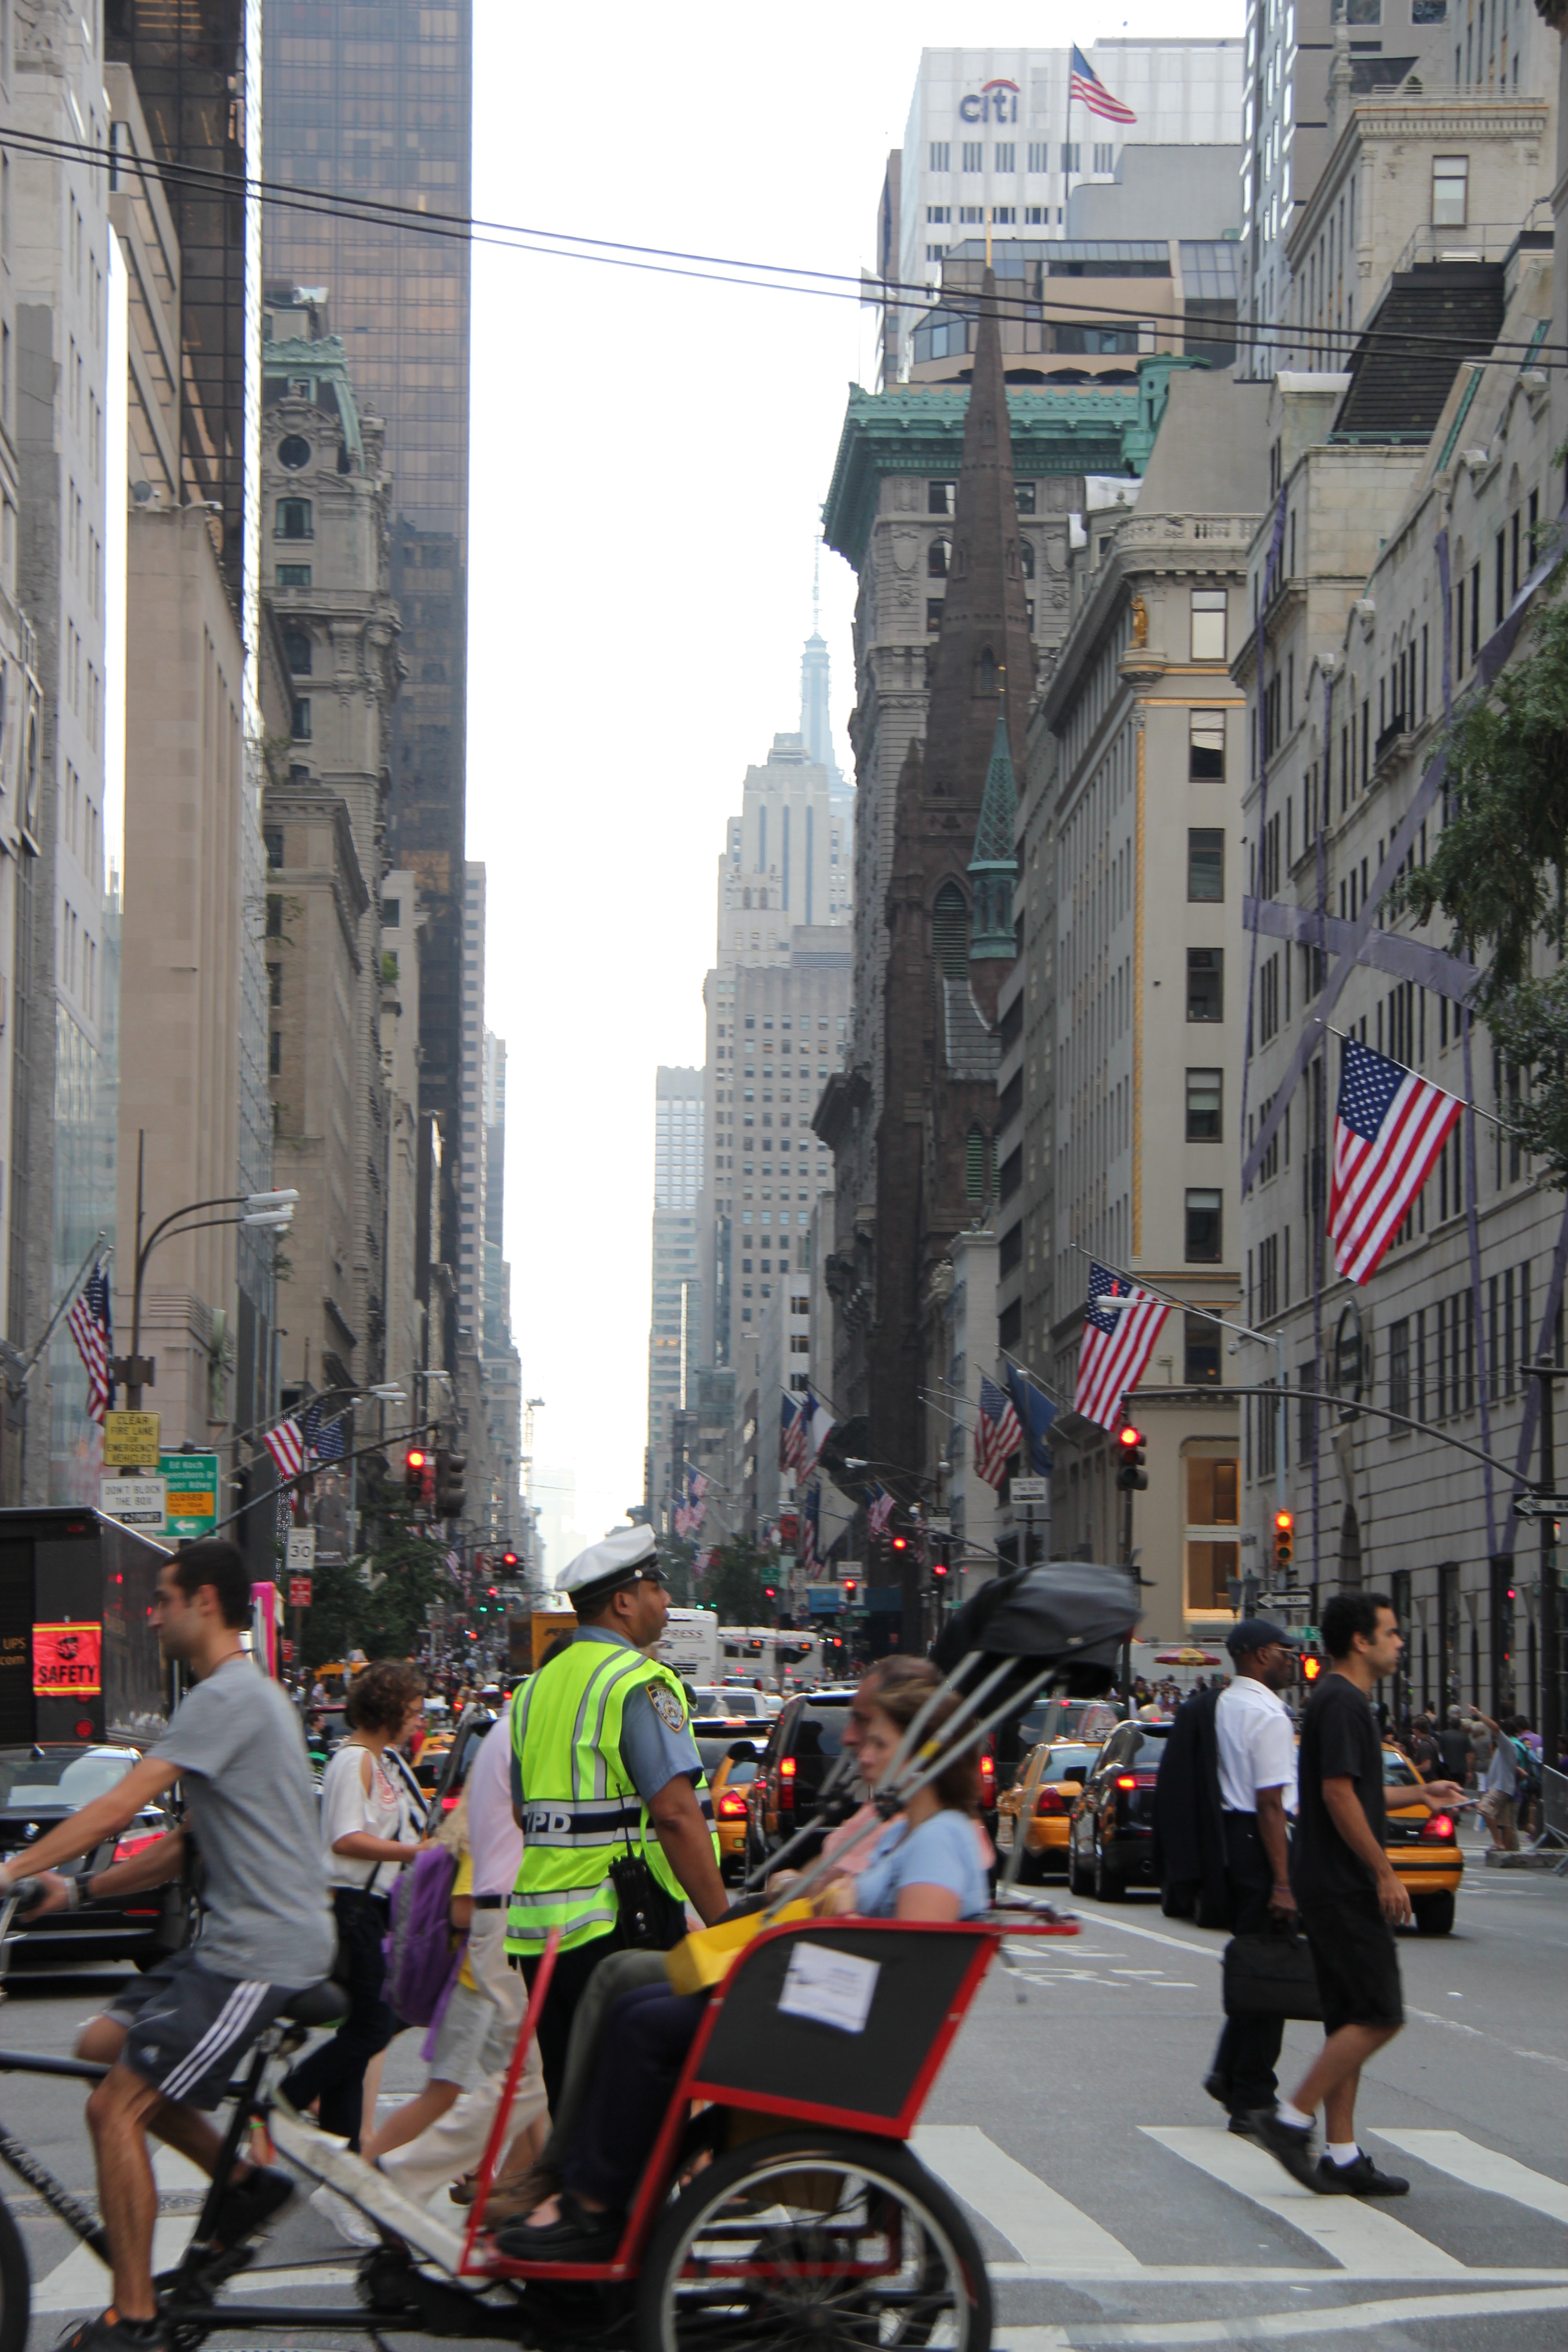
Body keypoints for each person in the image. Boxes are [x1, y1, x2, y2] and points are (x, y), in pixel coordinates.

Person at [503, 1673, 989, 2261]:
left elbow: (910, 1955)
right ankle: (596, 2190)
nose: (860, 1752)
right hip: (827, 2002)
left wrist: (840, 1906)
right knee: (634, 2002)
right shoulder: (908, 1829)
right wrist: (835, 1895)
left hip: (842, 2022)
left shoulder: (939, 1838)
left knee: (643, 2023)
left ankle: (598, 2204)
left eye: (879, 1742)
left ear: (923, 1754)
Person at [0, 1541, 333, 2352]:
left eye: (165, 1598)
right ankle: (245, 2184)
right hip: (226, 1945)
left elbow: (119, 1806)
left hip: (261, 1952)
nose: (152, 1613)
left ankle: (134, 2314)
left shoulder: (227, 1697)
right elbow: (185, 1841)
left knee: (116, 2103)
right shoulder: (240, 1699)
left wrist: (10, 1866)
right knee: (99, 2043)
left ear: (207, 1604)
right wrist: (73, 1889)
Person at [1251, 1593, 1468, 2197]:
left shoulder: (1340, 1702)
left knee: (1349, 2017)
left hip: (1327, 1882)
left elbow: (1359, 1791)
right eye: (1392, 1633)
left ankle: (1342, 2156)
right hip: (1342, 1885)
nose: (1401, 1642)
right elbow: (1339, 1797)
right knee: (1380, 2014)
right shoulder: (1344, 1703)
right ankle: (1292, 2120)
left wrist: (1425, 1796)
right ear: (1360, 1642)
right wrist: (1384, 1872)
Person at [505, 1525, 726, 2112]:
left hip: (540, 1933)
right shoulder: (636, 1683)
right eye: (657, 1586)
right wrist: (724, 1924)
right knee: (641, 2111)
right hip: (622, 1927)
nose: (668, 1600)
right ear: (624, 1601)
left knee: (575, 2108)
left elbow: (521, 1809)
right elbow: (677, 1817)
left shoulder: (534, 1690)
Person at [279, 1659, 426, 2152]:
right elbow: (346, 1839)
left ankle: (342, 2144)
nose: (417, 1721)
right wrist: (413, 1853)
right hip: (352, 1907)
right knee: (371, 2028)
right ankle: (291, 2092)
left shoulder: (381, 1762)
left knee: (363, 2027)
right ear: (387, 1711)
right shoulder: (353, 1761)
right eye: (411, 1711)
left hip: (373, 1907)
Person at [1202, 1620, 1299, 2133]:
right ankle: (1253, 2094)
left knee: (1256, 1966)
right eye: (1287, 1651)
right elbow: (1270, 1804)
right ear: (1263, 1655)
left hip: (1232, 1839)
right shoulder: (1269, 1714)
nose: (1293, 1660)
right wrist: (1283, 1882)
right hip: (1261, 1843)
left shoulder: (1224, 1703)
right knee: (1272, 1975)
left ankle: (1229, 2073)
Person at [1466, 1705, 1522, 1851]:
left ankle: (1498, 1843)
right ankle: (1507, 1848)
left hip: (1500, 1787)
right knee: (1506, 1822)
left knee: (1485, 1809)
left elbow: (1495, 1728)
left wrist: (1479, 1713)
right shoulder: (1508, 1748)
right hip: (1504, 1787)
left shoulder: (1507, 1744)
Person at [1436, 1708, 1475, 1787]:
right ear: (1460, 1725)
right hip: (1461, 1770)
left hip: (1447, 1769)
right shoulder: (1464, 1737)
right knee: (1460, 1789)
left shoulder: (1444, 1735)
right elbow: (1470, 1755)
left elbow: (1439, 1753)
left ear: (1450, 1724)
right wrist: (1469, 1771)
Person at [1406, 1715, 1440, 1779]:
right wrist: (1416, 1746)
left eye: (1414, 1728)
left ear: (1417, 1729)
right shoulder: (1433, 1741)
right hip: (1435, 1777)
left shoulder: (1424, 1745)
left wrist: (1413, 1769)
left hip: (1427, 1780)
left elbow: (1426, 1766)